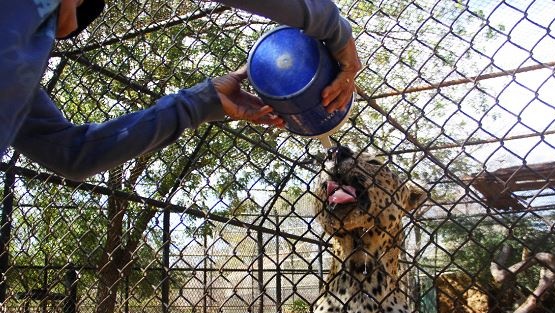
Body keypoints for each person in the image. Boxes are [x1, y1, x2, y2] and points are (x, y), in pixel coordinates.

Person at [0, 0, 361, 181]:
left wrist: (200, 103)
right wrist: (333, 28)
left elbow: (73, 154)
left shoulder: (18, 79)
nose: (65, 28)